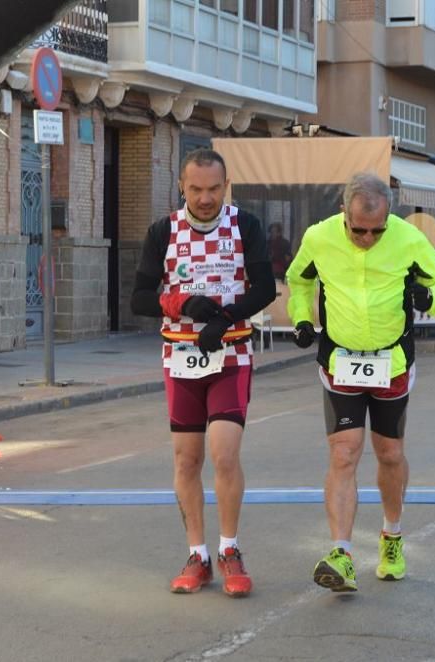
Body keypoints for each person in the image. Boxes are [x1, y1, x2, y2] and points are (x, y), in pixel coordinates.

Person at [285, 172, 435, 592]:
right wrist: (302, 318)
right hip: (340, 359)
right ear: (343, 213)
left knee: (390, 454)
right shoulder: (319, 237)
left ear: (389, 217)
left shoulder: (408, 239)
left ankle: (392, 537)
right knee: (344, 454)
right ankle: (341, 554)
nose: (366, 239)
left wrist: (430, 299)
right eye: (358, 230)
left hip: (392, 361)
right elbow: (298, 280)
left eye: (376, 231)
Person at [131, 148, 276, 597]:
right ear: (182, 186)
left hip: (229, 354)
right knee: (186, 460)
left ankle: (230, 549)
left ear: (225, 186)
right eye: (196, 189)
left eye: (214, 189)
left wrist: (225, 318)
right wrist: (182, 304)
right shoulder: (164, 231)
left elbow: (266, 288)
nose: (205, 198)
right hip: (181, 358)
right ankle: (198, 555)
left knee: (224, 455)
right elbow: (138, 297)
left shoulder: (244, 225)